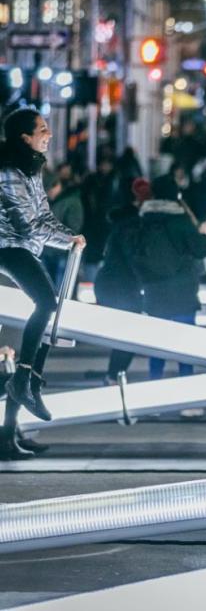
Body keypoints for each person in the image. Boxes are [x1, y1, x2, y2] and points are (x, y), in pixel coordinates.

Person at [0, 107, 86, 456]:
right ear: (26, 137)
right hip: (7, 248)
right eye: (43, 129)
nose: (49, 134)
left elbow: (44, 216)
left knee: (49, 315)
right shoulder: (8, 171)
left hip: (23, 250)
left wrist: (69, 236)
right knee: (47, 304)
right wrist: (66, 239)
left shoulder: (31, 169)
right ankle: (25, 380)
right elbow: (25, 224)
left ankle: (17, 409)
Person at [133, 175, 206, 379]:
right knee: (185, 345)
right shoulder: (181, 220)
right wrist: (204, 234)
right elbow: (201, 250)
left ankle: (155, 392)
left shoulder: (143, 219)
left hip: (154, 291)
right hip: (182, 290)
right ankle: (185, 397)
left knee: (157, 345)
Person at [95, 178, 152, 385]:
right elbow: (132, 261)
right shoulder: (131, 227)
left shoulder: (122, 225)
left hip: (115, 285)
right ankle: (114, 375)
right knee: (128, 334)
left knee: (126, 334)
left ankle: (114, 374)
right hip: (120, 287)